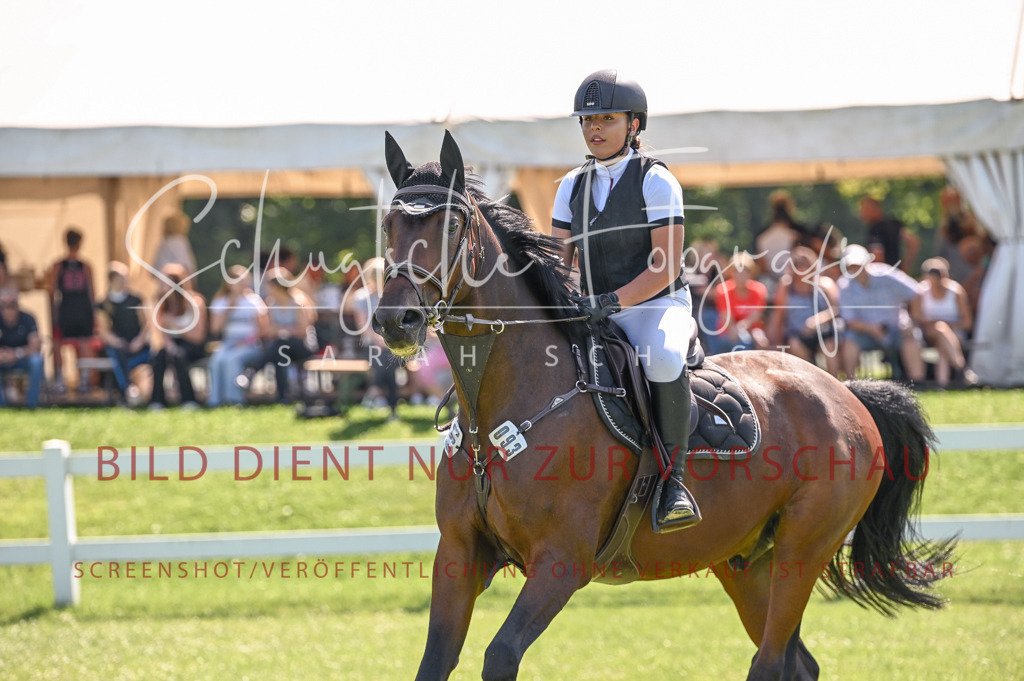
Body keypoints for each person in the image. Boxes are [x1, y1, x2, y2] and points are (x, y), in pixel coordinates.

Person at [551, 69, 699, 531]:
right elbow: (559, 261)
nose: (594, 129)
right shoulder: (570, 185)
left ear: (634, 125)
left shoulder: (656, 181)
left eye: (606, 119)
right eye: (587, 120)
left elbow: (665, 267)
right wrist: (563, 298)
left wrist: (611, 301)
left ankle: (674, 483)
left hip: (656, 306)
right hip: (595, 310)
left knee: (663, 358)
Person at [838, 244, 925, 382]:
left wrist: (913, 321)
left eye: (859, 265)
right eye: (852, 266)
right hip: (864, 333)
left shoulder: (887, 275)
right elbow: (850, 320)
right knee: (850, 342)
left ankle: (918, 382)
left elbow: (916, 292)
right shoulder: (844, 286)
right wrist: (871, 328)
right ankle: (850, 384)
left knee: (911, 336)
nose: (856, 269)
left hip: (896, 328)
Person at [240, 267, 318, 403]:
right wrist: (286, 331)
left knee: (281, 341)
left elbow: (302, 331)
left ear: (278, 287)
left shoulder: (298, 302)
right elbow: (268, 330)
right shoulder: (270, 303)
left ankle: (253, 371)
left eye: (269, 285)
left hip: (304, 346)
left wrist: (282, 330)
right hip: (282, 347)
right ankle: (283, 398)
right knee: (280, 352)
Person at [766, 246, 843, 376]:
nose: (802, 268)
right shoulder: (786, 286)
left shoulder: (824, 284)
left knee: (829, 346)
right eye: (798, 264)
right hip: (797, 334)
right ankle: (811, 379)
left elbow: (836, 310)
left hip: (822, 332)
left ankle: (834, 381)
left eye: (805, 264)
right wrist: (773, 340)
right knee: (794, 345)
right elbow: (778, 314)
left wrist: (816, 320)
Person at [207, 266, 267, 407]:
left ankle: (234, 400)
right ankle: (215, 400)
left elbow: (264, 329)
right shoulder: (220, 301)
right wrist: (230, 305)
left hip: (250, 344)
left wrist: (246, 341)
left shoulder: (254, 301)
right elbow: (215, 329)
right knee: (217, 360)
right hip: (228, 342)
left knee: (231, 360)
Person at [909, 257, 974, 389]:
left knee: (942, 337)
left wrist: (948, 325)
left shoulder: (956, 291)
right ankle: (960, 366)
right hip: (928, 334)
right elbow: (916, 318)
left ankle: (942, 385)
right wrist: (934, 323)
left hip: (954, 334)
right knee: (940, 328)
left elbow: (967, 322)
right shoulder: (920, 292)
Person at [346, 257, 398, 418]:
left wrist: (388, 340)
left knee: (387, 355)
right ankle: (392, 407)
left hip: (393, 343)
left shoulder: (394, 296)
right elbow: (363, 327)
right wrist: (379, 339)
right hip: (371, 344)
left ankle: (374, 390)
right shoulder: (361, 297)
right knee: (385, 358)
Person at [150, 264, 207, 409]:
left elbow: (198, 336)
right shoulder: (162, 304)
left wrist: (175, 324)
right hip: (172, 343)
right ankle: (157, 401)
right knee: (159, 357)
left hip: (192, 345)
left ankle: (189, 400)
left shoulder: (195, 302)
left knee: (178, 356)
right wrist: (170, 346)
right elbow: (162, 333)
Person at [47, 227, 97, 392]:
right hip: (81, 310)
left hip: (66, 309)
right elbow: (92, 293)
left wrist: (54, 313)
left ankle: (61, 379)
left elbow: (52, 291)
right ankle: (83, 379)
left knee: (60, 343)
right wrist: (92, 313)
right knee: (83, 343)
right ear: (79, 244)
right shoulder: (85, 266)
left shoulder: (58, 266)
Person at [96, 262, 151, 404]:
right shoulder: (103, 304)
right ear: (112, 280)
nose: (124, 281)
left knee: (151, 356)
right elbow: (103, 331)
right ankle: (126, 390)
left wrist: (139, 341)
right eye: (121, 278)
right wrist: (118, 342)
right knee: (117, 354)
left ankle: (144, 394)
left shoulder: (136, 299)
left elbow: (147, 324)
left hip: (138, 344)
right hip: (118, 345)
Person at [710, 252, 769, 354]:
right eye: (737, 271)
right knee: (743, 341)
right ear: (731, 273)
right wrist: (737, 330)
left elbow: (755, 317)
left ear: (751, 273)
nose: (742, 274)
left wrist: (741, 329)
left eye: (746, 270)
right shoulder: (723, 290)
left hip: (752, 329)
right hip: (728, 332)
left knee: (762, 342)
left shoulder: (759, 290)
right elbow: (726, 318)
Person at [753, 190, 811, 283]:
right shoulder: (798, 234)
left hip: (773, 280)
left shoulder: (762, 236)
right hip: (791, 279)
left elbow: (761, 263)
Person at [0, 286, 44, 408]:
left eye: (12, 304)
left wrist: (16, 354)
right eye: (4, 305)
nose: (8, 308)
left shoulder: (28, 319)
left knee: (37, 361)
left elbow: (35, 346)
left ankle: (32, 403)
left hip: (22, 358)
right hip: (3, 359)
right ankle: (2, 406)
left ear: (18, 304)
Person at [859, 197, 919, 274]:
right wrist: (904, 267)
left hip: (882, 275)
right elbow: (913, 242)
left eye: (864, 209)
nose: (862, 214)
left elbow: (877, 256)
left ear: (875, 208)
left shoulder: (875, 229)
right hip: (896, 274)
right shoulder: (894, 224)